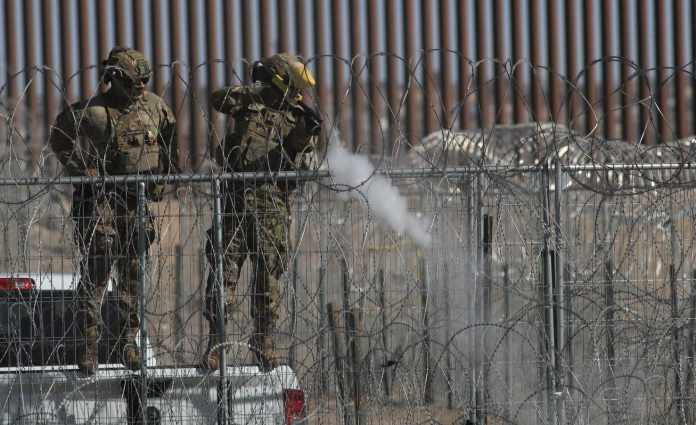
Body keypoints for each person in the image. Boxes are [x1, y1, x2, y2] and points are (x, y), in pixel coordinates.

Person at [49, 47, 177, 374]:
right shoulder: (92, 113)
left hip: (136, 203)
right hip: (100, 202)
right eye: (136, 82)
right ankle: (90, 346)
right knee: (97, 273)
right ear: (115, 79)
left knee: (132, 277)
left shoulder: (154, 108)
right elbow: (59, 137)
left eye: (145, 82)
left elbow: (170, 139)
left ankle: (127, 343)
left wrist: (163, 181)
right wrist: (81, 170)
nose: (142, 88)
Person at [202, 53, 322, 371]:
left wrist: (302, 138)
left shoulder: (300, 118)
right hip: (234, 205)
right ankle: (216, 344)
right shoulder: (248, 102)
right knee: (222, 281)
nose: (298, 95)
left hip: (271, 207)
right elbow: (217, 99)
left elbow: (306, 167)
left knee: (267, 284)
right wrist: (256, 91)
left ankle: (263, 341)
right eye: (292, 87)